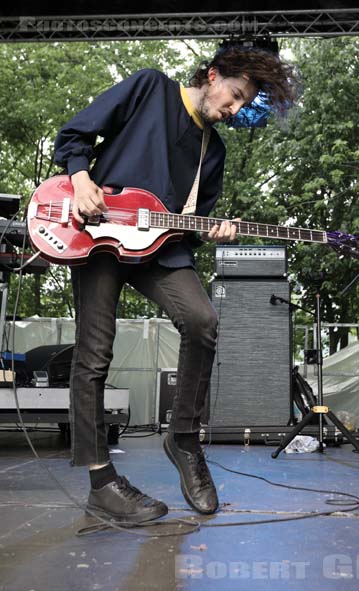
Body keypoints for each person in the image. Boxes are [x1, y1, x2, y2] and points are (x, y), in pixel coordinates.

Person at [53, 43, 296, 523]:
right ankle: (101, 482)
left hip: (158, 250)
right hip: (97, 232)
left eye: (244, 103)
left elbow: (190, 223)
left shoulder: (214, 151)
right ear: (212, 75)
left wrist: (213, 228)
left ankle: (183, 439)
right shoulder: (150, 87)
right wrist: (81, 180)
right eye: (235, 94)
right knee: (94, 354)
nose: (235, 108)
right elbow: (75, 133)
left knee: (203, 320)